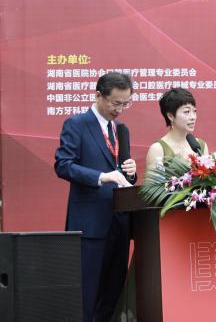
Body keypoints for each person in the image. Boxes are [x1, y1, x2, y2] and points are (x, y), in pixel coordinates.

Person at [54, 71, 137, 322]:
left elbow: (123, 177)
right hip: (90, 224)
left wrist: (131, 172)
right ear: (99, 95)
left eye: (126, 104)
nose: (120, 110)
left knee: (112, 293)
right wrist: (101, 176)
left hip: (119, 222)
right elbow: (63, 165)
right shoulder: (77, 124)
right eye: (115, 103)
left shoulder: (121, 129)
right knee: (87, 294)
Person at [145, 87, 208, 174]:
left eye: (194, 111)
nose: (193, 117)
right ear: (170, 116)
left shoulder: (200, 146)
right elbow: (153, 182)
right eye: (186, 112)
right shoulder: (158, 149)